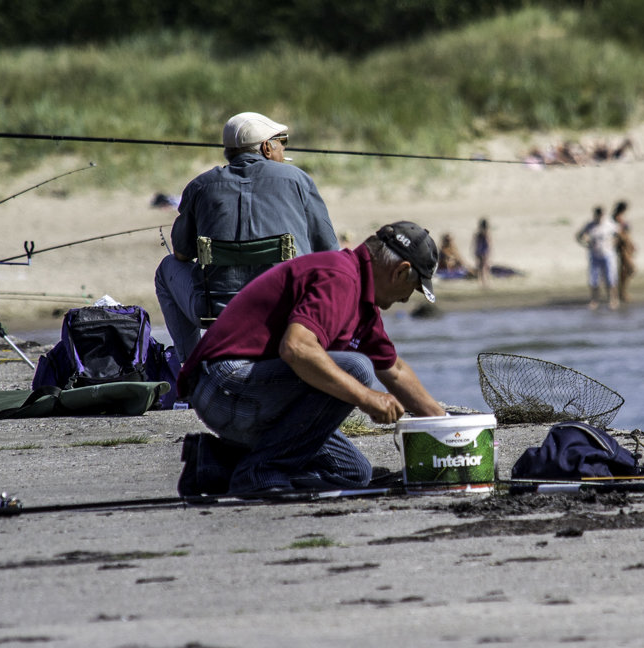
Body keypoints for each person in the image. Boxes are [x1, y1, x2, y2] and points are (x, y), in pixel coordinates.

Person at [175, 221, 448, 497]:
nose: (405, 299)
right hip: (223, 386)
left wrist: (444, 424)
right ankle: (260, 472)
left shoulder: (363, 301)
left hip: (247, 393)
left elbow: (395, 370)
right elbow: (297, 349)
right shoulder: (339, 277)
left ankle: (213, 463)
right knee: (357, 369)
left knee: (353, 473)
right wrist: (368, 398)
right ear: (401, 271)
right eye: (412, 288)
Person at [154, 111, 338, 364]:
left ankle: (192, 369)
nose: (284, 151)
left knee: (168, 268)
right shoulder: (298, 180)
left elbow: (182, 254)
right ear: (266, 147)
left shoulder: (200, 186)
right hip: (286, 311)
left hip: (217, 311)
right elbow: (329, 254)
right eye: (282, 142)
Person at [575, 205, 619, 310]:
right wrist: (585, 243)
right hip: (594, 255)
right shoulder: (590, 225)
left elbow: (618, 234)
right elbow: (579, 236)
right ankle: (594, 300)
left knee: (610, 278)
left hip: (608, 254)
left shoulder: (610, 224)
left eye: (601, 214)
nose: (599, 217)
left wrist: (614, 244)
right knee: (594, 279)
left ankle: (613, 299)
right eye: (598, 215)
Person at [612, 200, 636, 303]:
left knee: (625, 270)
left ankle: (622, 292)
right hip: (622, 246)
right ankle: (621, 292)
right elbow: (619, 233)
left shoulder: (619, 218)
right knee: (630, 269)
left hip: (626, 245)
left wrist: (631, 243)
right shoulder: (616, 219)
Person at [472, 218, 491, 287]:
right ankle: (484, 282)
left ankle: (482, 282)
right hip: (482, 252)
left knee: (482, 267)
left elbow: (475, 244)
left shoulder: (478, 234)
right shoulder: (484, 235)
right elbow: (488, 244)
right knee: (483, 267)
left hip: (480, 251)